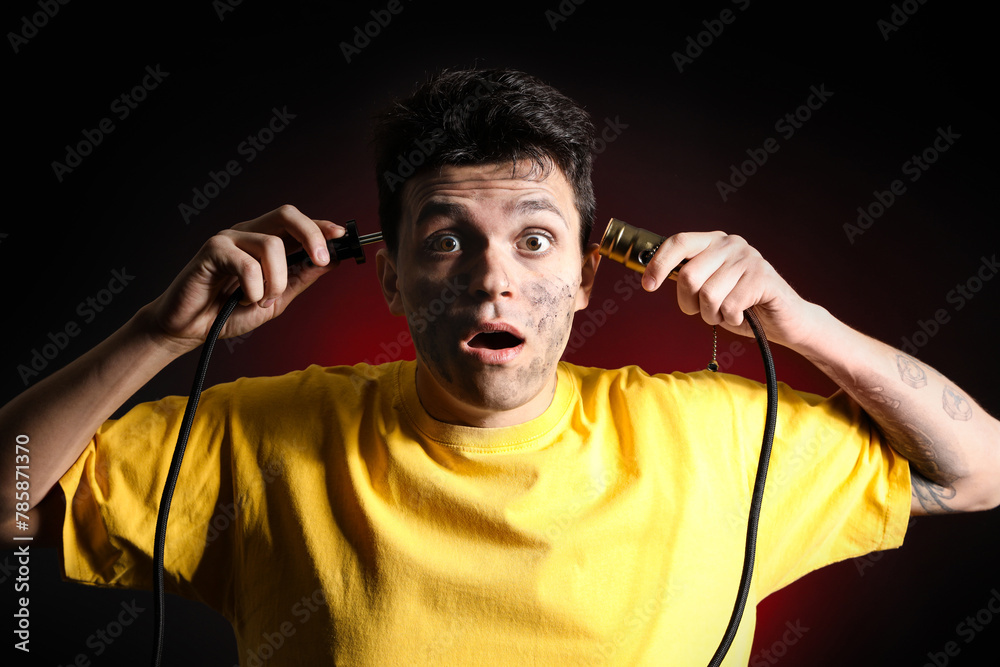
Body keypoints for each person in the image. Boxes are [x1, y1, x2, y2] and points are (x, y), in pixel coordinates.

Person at [2, 68, 998, 665]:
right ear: (386, 279)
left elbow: (978, 470)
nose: (491, 283)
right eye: (445, 241)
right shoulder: (262, 437)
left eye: (531, 241)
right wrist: (157, 335)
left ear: (582, 274)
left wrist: (808, 326)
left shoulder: (716, 434)